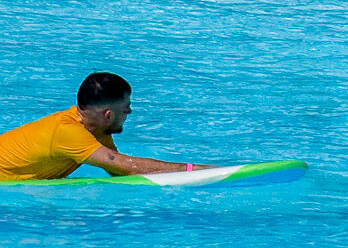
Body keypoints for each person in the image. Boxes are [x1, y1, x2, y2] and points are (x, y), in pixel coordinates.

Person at [0, 72, 201, 180]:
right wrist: (195, 169)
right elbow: (129, 167)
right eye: (126, 108)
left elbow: (120, 170)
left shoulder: (97, 130)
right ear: (108, 114)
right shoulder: (68, 132)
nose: (129, 113)